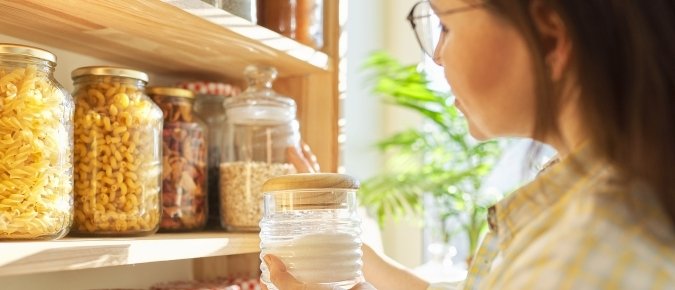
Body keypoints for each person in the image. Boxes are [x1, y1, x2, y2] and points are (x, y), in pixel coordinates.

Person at [263, 0, 675, 289]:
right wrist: (344, 242)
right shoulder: (600, 202)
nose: (438, 55)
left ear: (549, 38)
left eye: (445, 24)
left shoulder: (579, 258)